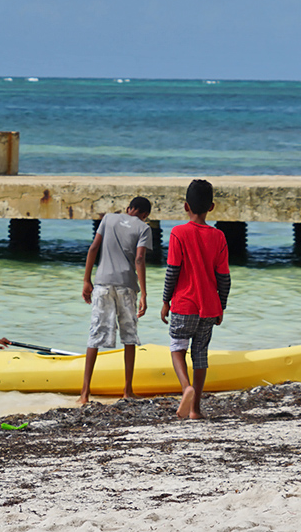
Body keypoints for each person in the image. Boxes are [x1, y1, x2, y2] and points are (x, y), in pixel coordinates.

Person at [160, 179, 231, 419]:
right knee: (200, 354)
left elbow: (173, 271)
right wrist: (222, 306)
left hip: (184, 304)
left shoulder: (178, 233)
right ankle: (196, 409)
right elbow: (224, 277)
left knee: (177, 348)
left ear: (185, 206)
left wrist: (165, 301)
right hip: (210, 306)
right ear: (211, 207)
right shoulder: (219, 236)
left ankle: (185, 387)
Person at [77, 197, 153, 404]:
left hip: (102, 284)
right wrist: (144, 293)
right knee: (129, 337)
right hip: (127, 285)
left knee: (95, 335)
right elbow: (139, 259)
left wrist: (86, 280)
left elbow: (93, 248)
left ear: (129, 209)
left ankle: (84, 393)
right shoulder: (144, 228)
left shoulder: (109, 218)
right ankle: (127, 391)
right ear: (145, 214)